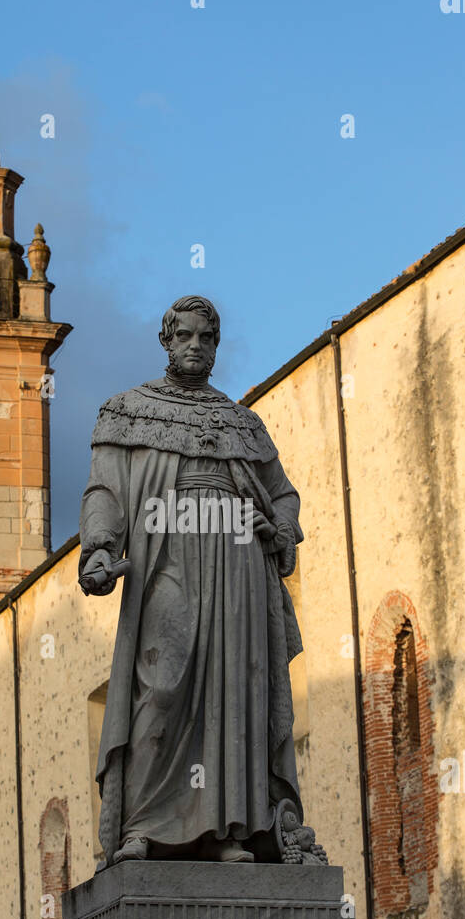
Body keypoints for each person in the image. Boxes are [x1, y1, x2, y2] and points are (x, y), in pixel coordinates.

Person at [80, 295, 304, 866]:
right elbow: (105, 489)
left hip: (238, 565)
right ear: (166, 340)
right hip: (170, 557)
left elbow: (282, 492)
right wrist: (100, 549)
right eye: (185, 336)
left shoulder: (242, 423)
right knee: (160, 682)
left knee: (235, 695)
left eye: (207, 337)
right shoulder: (128, 411)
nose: (196, 346)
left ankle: (231, 828)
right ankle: (143, 827)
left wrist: (277, 525)